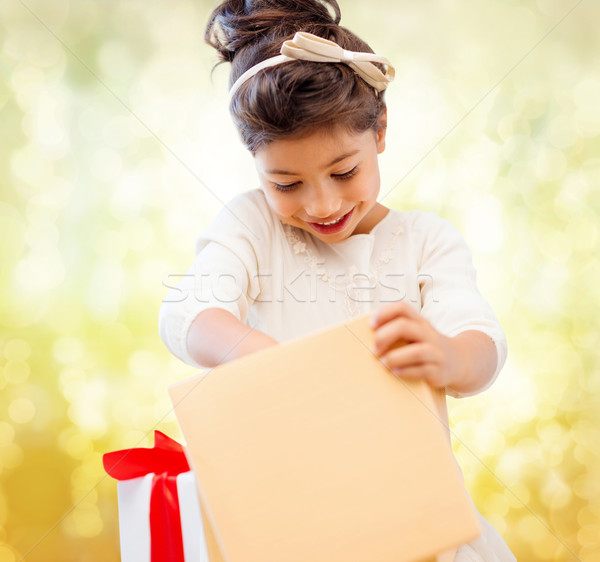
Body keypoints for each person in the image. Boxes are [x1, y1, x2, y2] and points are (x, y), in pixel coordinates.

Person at [159, 1, 516, 559]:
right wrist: (262, 358)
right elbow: (187, 314)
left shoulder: (425, 241)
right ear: (254, 165)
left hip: (418, 530)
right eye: (285, 183)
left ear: (379, 131)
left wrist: (449, 357)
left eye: (343, 172)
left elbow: (482, 346)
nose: (321, 204)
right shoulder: (252, 226)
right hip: (297, 527)